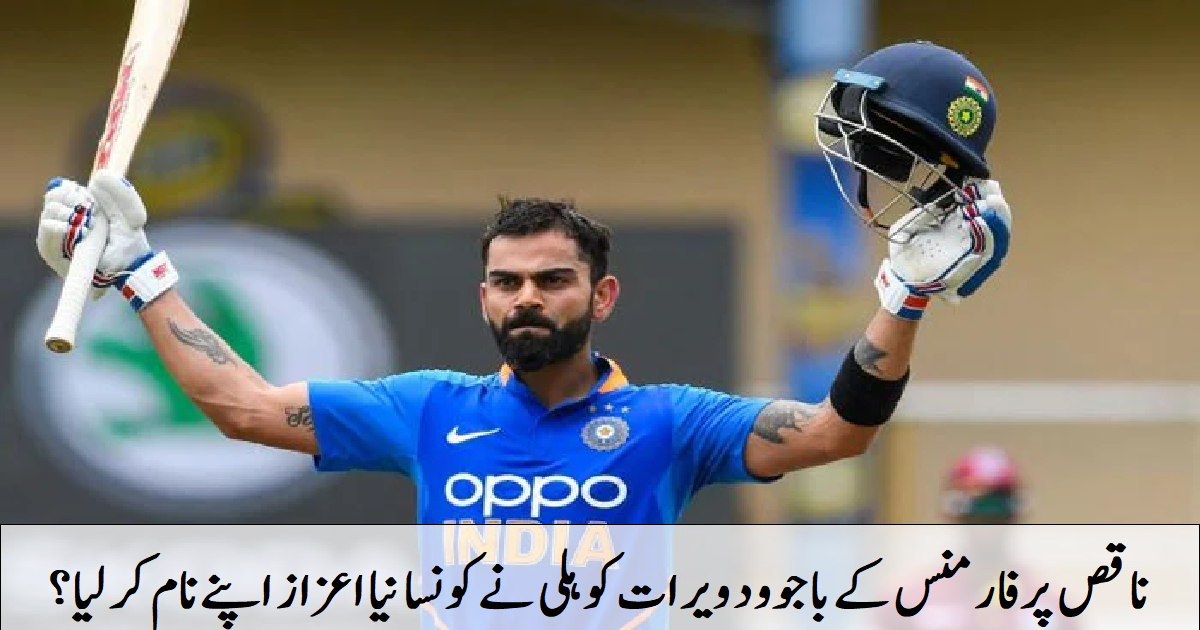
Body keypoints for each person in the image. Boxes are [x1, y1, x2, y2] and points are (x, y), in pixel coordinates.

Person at [35, 41, 1011, 527]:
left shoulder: (674, 423)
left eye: (552, 279)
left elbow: (840, 432)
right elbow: (242, 408)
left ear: (602, 297)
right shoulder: (425, 410)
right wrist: (139, 273)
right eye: (505, 282)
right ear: (484, 299)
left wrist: (904, 299)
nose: (526, 298)